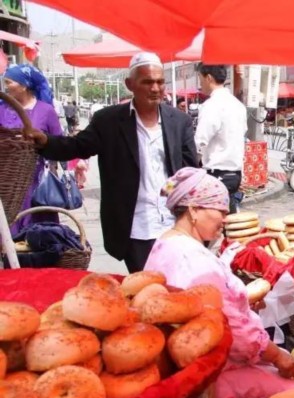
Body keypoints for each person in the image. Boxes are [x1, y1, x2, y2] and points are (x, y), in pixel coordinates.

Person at [144, 167, 294, 398]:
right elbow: (235, 334)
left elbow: (199, 304)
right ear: (194, 209)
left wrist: (244, 304)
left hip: (182, 362)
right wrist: (277, 356)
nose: (225, 219)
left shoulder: (165, 244)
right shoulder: (193, 258)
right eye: (220, 211)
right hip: (208, 371)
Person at [29, 52, 197, 273]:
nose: (155, 88)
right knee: (144, 287)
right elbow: (77, 147)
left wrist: (168, 191)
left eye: (159, 82)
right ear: (130, 84)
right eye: (147, 82)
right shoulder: (108, 121)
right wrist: (46, 142)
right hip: (134, 225)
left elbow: (189, 170)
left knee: (178, 285)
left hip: (173, 222)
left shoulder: (180, 121)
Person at [0, 64, 63, 234]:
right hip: (7, 178)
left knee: (37, 229)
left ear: (24, 85)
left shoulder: (45, 110)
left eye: (9, 82)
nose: (5, 86)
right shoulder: (2, 109)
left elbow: (59, 142)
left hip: (37, 179)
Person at [195, 64, 247, 214]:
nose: (200, 84)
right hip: (235, 174)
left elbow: (200, 141)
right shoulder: (238, 105)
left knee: (212, 221)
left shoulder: (211, 105)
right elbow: (242, 133)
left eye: (200, 79)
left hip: (216, 174)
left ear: (208, 78)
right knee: (228, 221)